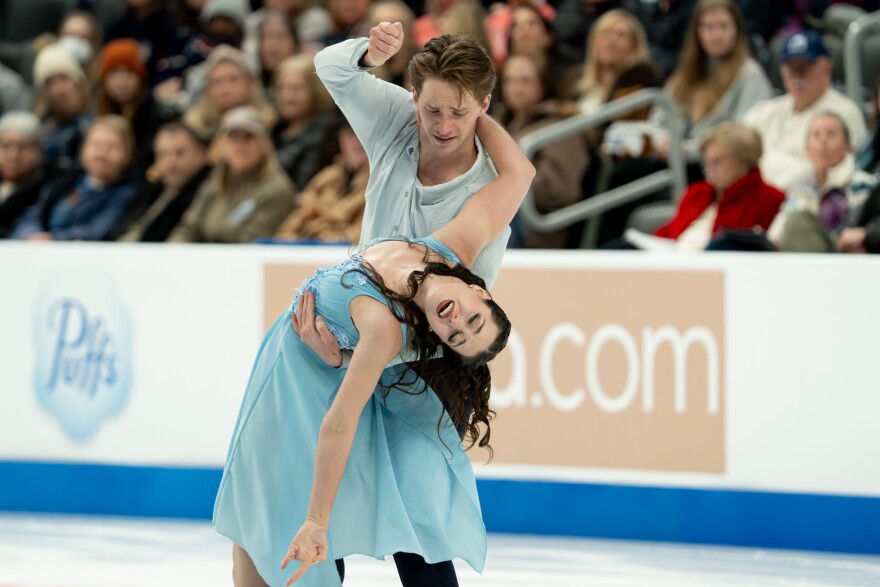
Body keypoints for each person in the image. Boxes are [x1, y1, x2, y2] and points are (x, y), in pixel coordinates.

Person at [213, 95, 534, 587]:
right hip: (278, 371)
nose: (457, 324)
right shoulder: (452, 246)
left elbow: (339, 425)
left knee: (293, 529)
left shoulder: (386, 330)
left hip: (308, 385)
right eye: (473, 319)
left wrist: (318, 521)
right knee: (254, 527)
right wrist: (466, 110)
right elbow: (518, 175)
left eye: (457, 337)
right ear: (477, 288)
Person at [314, 27, 511, 288]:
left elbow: (468, 311)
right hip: (351, 307)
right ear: (415, 96)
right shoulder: (396, 115)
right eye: (432, 110)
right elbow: (328, 65)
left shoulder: (489, 197)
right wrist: (369, 56)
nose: (444, 127)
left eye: (459, 112)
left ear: (484, 106)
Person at [741, 30, 867, 190]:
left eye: (804, 68)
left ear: (826, 69)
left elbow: (842, 172)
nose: (797, 76)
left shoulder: (845, 114)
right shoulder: (763, 112)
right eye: (791, 69)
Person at [652, 0, 773, 165]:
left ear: (737, 30)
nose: (716, 35)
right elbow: (658, 117)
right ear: (697, 32)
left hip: (717, 165)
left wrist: (686, 150)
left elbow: (746, 136)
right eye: (708, 27)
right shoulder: (686, 72)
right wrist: (662, 141)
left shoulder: (750, 74)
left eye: (723, 26)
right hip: (673, 159)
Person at [645, 121, 785, 251]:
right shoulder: (697, 193)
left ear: (743, 161)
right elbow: (667, 234)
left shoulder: (770, 199)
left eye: (717, 162)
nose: (709, 169)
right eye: (707, 162)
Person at [498, 52, 589, 248]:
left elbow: (560, 189)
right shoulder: (507, 124)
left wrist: (500, 185)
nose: (516, 88)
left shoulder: (560, 127)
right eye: (510, 81)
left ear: (543, 84)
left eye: (525, 81)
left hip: (536, 226)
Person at [169, 106, 295, 243]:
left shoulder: (277, 189)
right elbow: (188, 228)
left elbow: (253, 244)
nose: (241, 145)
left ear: (264, 144)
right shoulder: (215, 183)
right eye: (234, 137)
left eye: (248, 137)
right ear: (222, 144)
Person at [9, 116, 137, 241]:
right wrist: (30, 234)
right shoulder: (65, 183)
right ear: (83, 149)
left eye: (112, 146)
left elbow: (100, 231)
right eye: (96, 144)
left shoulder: (128, 195)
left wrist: (53, 239)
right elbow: (31, 216)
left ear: (128, 154)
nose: (102, 152)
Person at [768, 111, 876, 252]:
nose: (823, 141)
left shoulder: (865, 185)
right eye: (816, 135)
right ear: (806, 148)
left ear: (848, 147)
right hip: (800, 260)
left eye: (831, 134)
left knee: (798, 222)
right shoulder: (799, 187)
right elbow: (777, 233)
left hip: (848, 263)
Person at [274, 118, 370, 243]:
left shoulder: (381, 182)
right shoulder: (326, 177)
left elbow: (362, 236)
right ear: (341, 140)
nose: (357, 141)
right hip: (313, 250)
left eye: (363, 134)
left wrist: (317, 211)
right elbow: (289, 228)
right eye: (351, 134)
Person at [114, 122, 212, 242]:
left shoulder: (211, 189)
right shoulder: (155, 191)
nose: (171, 162)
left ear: (201, 153)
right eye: (163, 154)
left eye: (180, 153)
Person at [96, 38, 170, 179]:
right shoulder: (99, 114)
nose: (122, 79)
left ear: (140, 78)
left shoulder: (157, 115)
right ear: (104, 80)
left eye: (130, 71)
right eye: (115, 72)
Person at [272, 55, 340, 192]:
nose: (287, 96)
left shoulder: (325, 134)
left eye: (296, 88)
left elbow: (301, 187)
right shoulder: (274, 130)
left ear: (315, 90)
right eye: (281, 88)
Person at [183, 45, 277, 142]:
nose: (225, 88)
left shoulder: (271, 126)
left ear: (249, 83)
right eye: (217, 81)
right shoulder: (195, 131)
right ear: (208, 88)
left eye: (233, 79)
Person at [31, 44, 93, 171]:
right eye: (50, 83)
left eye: (64, 78)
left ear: (78, 82)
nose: (59, 90)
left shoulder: (95, 123)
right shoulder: (40, 129)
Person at [0, 112, 49, 238]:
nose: (13, 155)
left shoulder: (49, 185)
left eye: (22, 147)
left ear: (37, 149)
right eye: (6, 146)